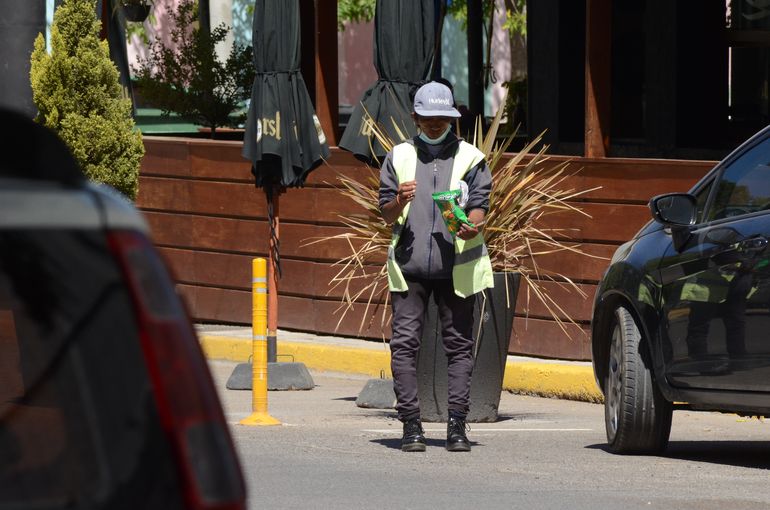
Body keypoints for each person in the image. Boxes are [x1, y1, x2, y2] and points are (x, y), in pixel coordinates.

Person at [378, 81, 494, 452]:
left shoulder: (472, 158)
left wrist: (472, 224)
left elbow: (480, 205)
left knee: (459, 347)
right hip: (409, 267)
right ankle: (411, 425)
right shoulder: (398, 156)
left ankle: (456, 426)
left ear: (452, 118)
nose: (434, 124)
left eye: (441, 118)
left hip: (458, 267)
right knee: (404, 345)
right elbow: (384, 212)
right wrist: (398, 200)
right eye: (427, 118)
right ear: (415, 117)